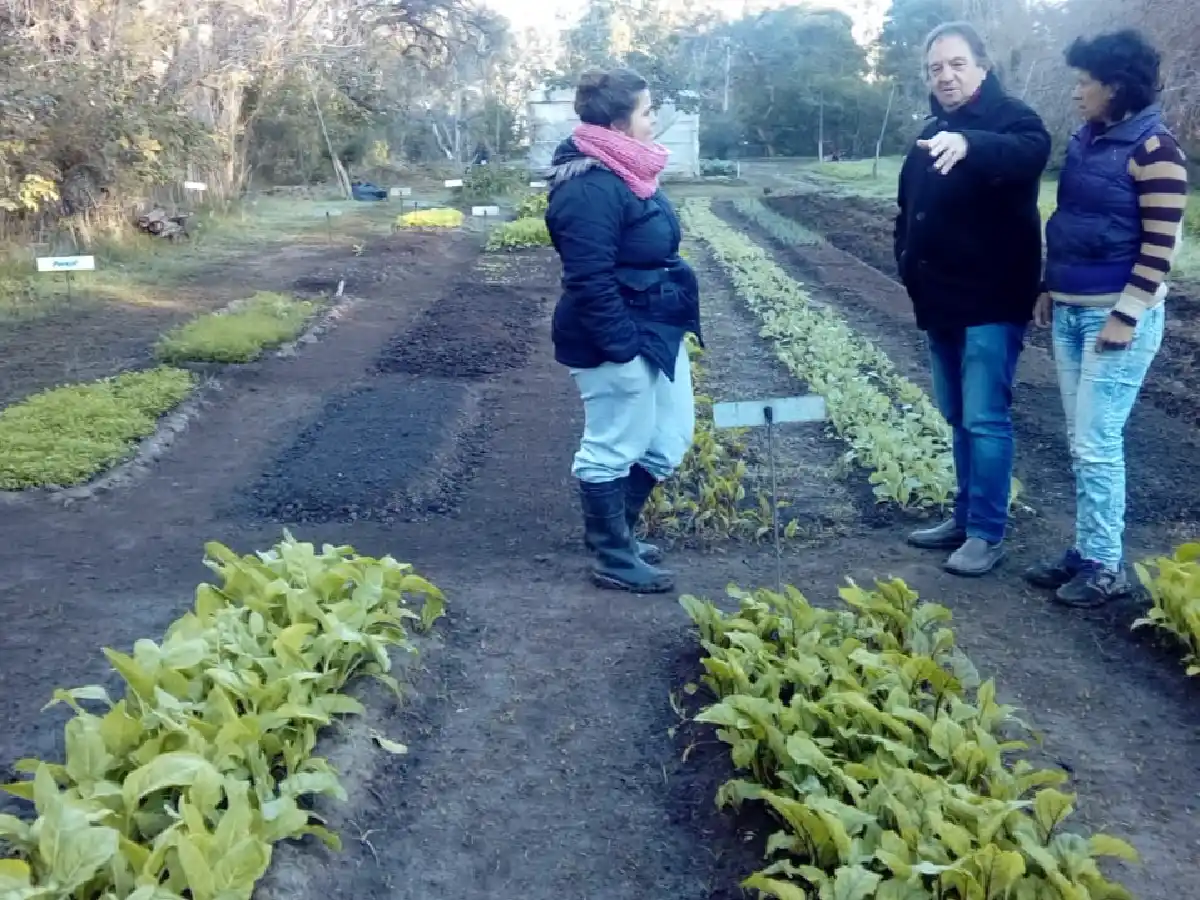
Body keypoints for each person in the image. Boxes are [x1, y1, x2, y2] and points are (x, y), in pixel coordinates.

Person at [1025, 30, 1189, 608]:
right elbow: (1069, 220)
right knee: (1080, 440)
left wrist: (1127, 314)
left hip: (1115, 322)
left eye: (1084, 82)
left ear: (1114, 86)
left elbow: (1160, 247)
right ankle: (1087, 549)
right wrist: (1049, 285)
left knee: (1097, 443)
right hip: (1071, 311)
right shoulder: (1088, 141)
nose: (1076, 93)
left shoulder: (1156, 151)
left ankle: (1104, 564)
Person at [895, 22, 1052, 577]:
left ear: (982, 67)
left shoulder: (1013, 118)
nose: (946, 76)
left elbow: (1031, 153)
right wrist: (906, 262)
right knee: (957, 414)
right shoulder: (932, 127)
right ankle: (962, 519)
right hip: (940, 300)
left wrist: (970, 144)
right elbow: (906, 205)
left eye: (957, 64)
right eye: (936, 68)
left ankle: (987, 532)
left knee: (986, 417)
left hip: (990, 300)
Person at [542, 68, 702, 594]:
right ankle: (612, 554)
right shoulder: (589, 186)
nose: (653, 118)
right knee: (612, 444)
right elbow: (587, 278)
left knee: (668, 438)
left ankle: (621, 535)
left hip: (655, 325)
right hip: (614, 336)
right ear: (619, 122)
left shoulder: (629, 172)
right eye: (647, 110)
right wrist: (622, 349)